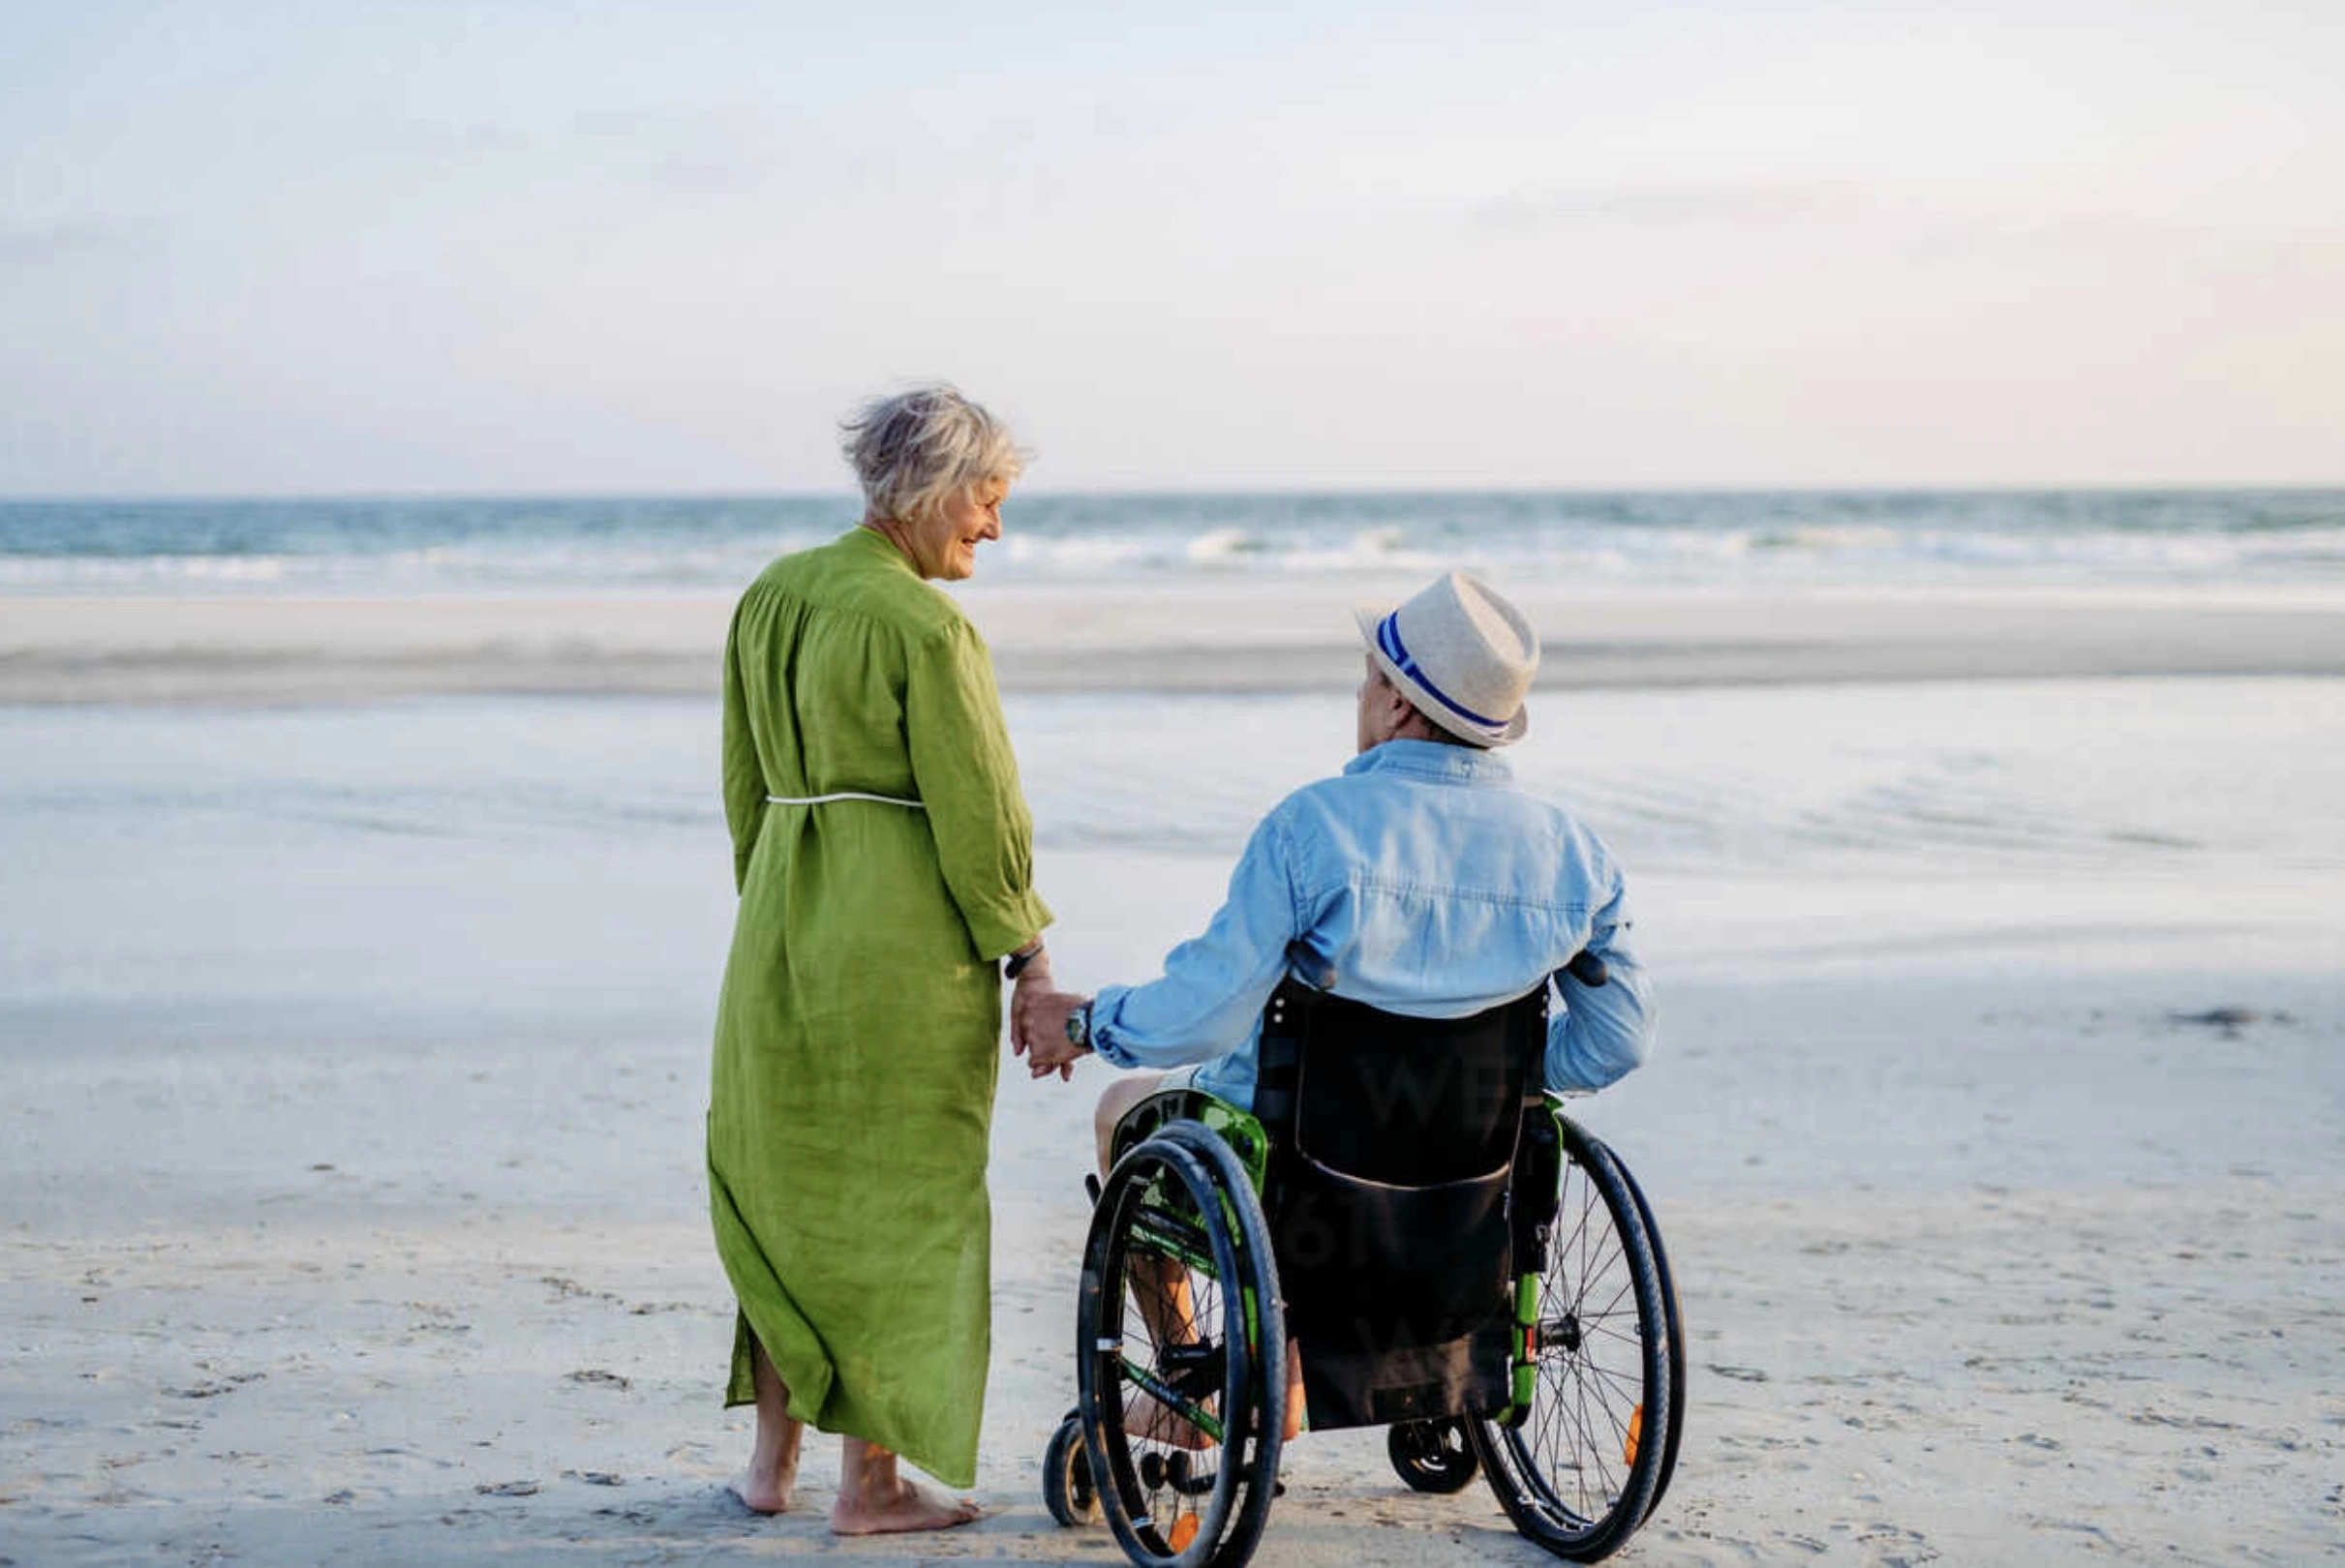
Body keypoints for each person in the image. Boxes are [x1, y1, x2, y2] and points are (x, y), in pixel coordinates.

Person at [709, 384, 1053, 1534]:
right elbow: (979, 817)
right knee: (904, 1196)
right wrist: (1029, 961)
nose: (992, 528)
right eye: (986, 501)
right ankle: (870, 1485)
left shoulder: (770, 597)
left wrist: (783, 904)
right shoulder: (926, 627)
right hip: (903, 947)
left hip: (777, 927)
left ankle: (771, 1468)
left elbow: (742, 791)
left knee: (781, 1190)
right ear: (929, 488)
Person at [1016, 566, 1654, 1174]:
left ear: (1399, 705)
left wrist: (1085, 1024)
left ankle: (1174, 1292)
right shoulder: (1577, 858)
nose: (1359, 694)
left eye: (1369, 678)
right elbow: (1618, 1041)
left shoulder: (1313, 829)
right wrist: (1488, 1076)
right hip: (1471, 1187)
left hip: (1300, 1171)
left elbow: (1204, 1014)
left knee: (1119, 1111)